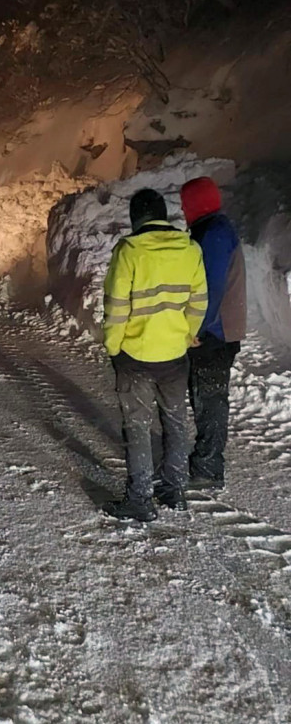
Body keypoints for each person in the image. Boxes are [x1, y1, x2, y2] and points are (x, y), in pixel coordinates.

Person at [102, 188, 208, 522]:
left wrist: (113, 345)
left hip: (135, 355)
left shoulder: (129, 251)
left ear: (136, 219)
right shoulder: (190, 249)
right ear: (164, 215)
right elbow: (198, 300)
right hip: (175, 355)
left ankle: (140, 500)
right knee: (175, 423)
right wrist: (187, 333)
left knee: (137, 427)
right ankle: (174, 490)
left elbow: (117, 307)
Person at [180, 177, 246, 488]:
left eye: (185, 204)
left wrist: (198, 328)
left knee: (210, 398)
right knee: (205, 396)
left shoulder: (214, 234)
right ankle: (206, 460)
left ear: (196, 204)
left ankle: (208, 467)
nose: (183, 210)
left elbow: (211, 286)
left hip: (215, 332)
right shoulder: (212, 229)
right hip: (218, 328)